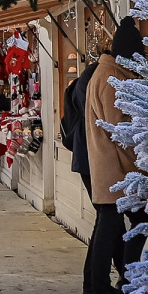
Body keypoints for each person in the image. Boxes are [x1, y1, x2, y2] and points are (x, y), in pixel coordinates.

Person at [85, 17, 146, 294]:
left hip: (111, 166)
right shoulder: (111, 78)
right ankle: (108, 287)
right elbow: (120, 127)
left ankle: (99, 284)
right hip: (115, 168)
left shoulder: (109, 72)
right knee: (129, 222)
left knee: (109, 225)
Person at [62, 53, 100, 199]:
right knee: (106, 209)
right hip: (89, 151)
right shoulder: (90, 86)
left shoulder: (79, 85)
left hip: (82, 151)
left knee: (102, 207)